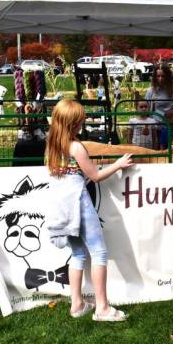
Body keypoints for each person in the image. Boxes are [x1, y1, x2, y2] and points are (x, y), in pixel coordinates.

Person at [46, 99, 133, 321]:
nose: (82, 123)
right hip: (79, 205)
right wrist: (118, 165)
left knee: (77, 253)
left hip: (61, 209)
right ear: (73, 123)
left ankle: (77, 304)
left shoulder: (52, 147)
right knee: (99, 252)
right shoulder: (76, 147)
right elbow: (94, 176)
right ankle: (102, 307)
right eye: (80, 121)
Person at [144, 63, 173, 149]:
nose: (160, 79)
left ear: (168, 76)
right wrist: (164, 114)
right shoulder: (151, 91)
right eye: (158, 76)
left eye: (163, 76)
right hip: (157, 126)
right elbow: (146, 109)